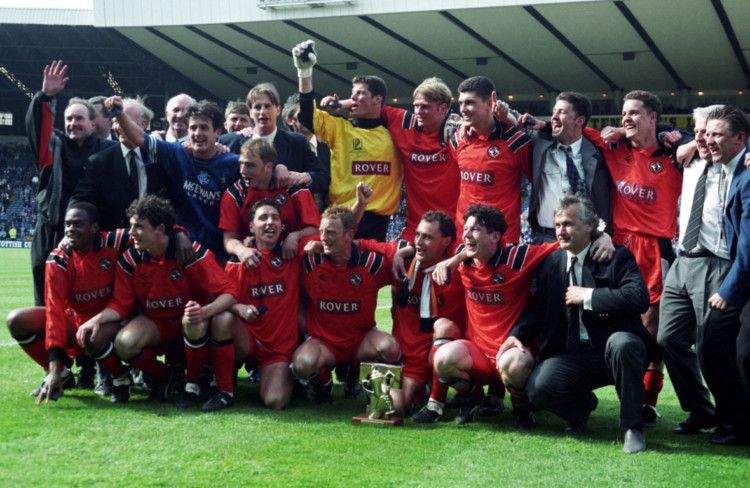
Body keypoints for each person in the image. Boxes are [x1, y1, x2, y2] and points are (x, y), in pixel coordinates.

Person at [499, 195, 659, 454]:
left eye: (569, 224)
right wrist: (516, 334)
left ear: (589, 226)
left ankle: (633, 428)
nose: (561, 230)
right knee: (539, 388)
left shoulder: (617, 256)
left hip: (615, 351)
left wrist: (588, 296)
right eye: (558, 224)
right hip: (573, 355)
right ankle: (581, 408)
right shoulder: (551, 263)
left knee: (622, 343)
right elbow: (539, 309)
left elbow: (639, 298)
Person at [585, 90, 686, 426]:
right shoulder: (613, 147)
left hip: (655, 248)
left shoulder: (673, 155)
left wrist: (678, 135)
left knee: (650, 328)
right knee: (609, 321)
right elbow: (572, 125)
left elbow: (707, 137)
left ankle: (648, 401)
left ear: (653, 118)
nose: (625, 119)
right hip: (615, 247)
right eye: (623, 113)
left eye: (634, 113)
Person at [76, 195, 237, 404]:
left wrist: (204, 311)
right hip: (156, 323)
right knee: (125, 343)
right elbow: (121, 304)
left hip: (186, 322)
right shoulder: (130, 259)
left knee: (192, 319)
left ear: (160, 229)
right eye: (131, 227)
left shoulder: (189, 253)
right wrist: (96, 320)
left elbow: (230, 291)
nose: (131, 233)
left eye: (138, 227)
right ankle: (164, 376)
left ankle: (192, 385)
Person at [428, 204, 559, 425]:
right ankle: (473, 396)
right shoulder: (463, 262)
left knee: (514, 366)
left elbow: (565, 244)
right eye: (466, 228)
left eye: (475, 229)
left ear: (495, 236)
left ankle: (521, 406)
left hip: (512, 351)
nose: (467, 234)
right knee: (441, 359)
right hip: (477, 354)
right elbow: (437, 248)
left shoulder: (518, 258)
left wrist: (600, 238)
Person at [6, 202, 132, 403]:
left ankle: (120, 378)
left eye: (78, 224)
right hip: (77, 323)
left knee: (93, 336)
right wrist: (54, 368)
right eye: (68, 225)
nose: (71, 229)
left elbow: (149, 233)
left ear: (94, 227)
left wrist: (178, 234)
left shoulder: (114, 241)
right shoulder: (58, 259)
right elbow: (54, 311)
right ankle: (63, 375)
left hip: (112, 320)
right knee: (16, 320)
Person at [26, 60, 117, 307]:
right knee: (46, 302)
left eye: (79, 118)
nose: (73, 123)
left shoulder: (109, 150)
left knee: (90, 301)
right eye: (68, 119)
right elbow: (37, 128)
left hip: (93, 237)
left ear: (93, 124)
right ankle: (49, 346)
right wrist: (45, 97)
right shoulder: (53, 146)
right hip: (50, 231)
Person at [358, 210, 467, 415]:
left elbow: (482, 248)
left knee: (444, 325)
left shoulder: (460, 271)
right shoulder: (406, 262)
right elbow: (363, 243)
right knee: (394, 407)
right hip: (403, 355)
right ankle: (422, 389)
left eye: (427, 237)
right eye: (417, 235)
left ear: (446, 241)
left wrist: (455, 259)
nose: (418, 241)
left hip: (440, 355)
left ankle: (438, 400)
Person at [656, 106, 724, 435]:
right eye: (697, 130)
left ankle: (732, 417)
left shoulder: (736, 164)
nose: (701, 136)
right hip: (682, 259)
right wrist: (673, 137)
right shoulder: (687, 155)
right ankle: (700, 409)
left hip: (716, 261)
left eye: (708, 131)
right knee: (668, 338)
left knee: (713, 346)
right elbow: (658, 129)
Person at [293, 40, 404, 240]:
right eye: (351, 94)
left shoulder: (396, 132)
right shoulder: (339, 127)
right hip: (340, 219)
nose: (353, 98)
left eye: (360, 93)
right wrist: (304, 72)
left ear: (378, 99)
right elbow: (306, 115)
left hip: (379, 224)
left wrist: (343, 104)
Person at [106, 96, 238, 261]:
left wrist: (280, 169)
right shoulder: (177, 153)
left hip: (218, 253)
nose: (198, 133)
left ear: (217, 132)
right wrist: (118, 113)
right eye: (193, 128)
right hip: (182, 248)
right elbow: (140, 138)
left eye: (204, 128)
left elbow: (261, 168)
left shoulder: (232, 163)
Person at [290, 205, 400, 403]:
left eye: (330, 232)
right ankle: (323, 384)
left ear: (350, 236)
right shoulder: (310, 260)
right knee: (302, 364)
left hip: (360, 340)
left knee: (389, 347)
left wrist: (396, 304)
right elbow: (282, 247)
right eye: (321, 232)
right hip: (324, 342)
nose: (323, 237)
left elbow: (398, 256)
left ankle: (373, 389)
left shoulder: (371, 263)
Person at [216, 199, 304, 410]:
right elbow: (223, 300)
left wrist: (296, 235)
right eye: (262, 218)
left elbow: (329, 236)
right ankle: (223, 389)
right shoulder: (240, 258)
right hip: (247, 338)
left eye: (275, 217)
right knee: (222, 319)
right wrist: (240, 309)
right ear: (251, 226)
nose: (269, 222)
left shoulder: (293, 254)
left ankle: (291, 375)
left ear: (282, 225)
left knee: (275, 401)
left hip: (277, 348)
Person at [701, 106, 750, 445]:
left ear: (740, 139)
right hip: (740, 280)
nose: (709, 140)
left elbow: (749, 244)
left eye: (718, 134)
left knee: (745, 353)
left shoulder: (747, 176)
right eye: (708, 133)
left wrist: (728, 291)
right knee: (710, 344)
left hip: (741, 281)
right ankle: (735, 421)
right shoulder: (733, 169)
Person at [450, 76, 531, 246]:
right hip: (463, 242)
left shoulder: (516, 142)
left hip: (502, 243)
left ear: (490, 102)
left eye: (470, 103)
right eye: (461, 103)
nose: (463, 109)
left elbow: (538, 184)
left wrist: (511, 118)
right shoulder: (457, 139)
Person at [520, 92, 613, 242]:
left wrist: (662, 134)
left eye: (562, 112)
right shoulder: (538, 143)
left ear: (580, 120)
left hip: (585, 239)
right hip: (545, 238)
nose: (554, 117)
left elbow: (640, 136)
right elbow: (512, 118)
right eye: (554, 111)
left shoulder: (599, 154)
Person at [71, 97, 170, 231]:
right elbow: (80, 201)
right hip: (115, 243)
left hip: (153, 243)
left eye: (125, 121)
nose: (119, 127)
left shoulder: (160, 158)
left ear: (143, 124)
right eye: (116, 122)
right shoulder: (99, 162)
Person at [220, 138, 320, 264]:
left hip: (291, 258)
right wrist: (241, 250)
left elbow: (315, 229)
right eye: (241, 164)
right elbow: (229, 239)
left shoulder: (292, 186)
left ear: (268, 167)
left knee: (313, 246)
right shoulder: (235, 193)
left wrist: (294, 236)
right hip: (255, 260)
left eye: (250, 165)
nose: (242, 171)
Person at [218, 83, 328, 195]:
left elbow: (323, 178)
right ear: (250, 112)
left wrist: (306, 177)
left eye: (268, 106)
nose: (262, 112)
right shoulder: (228, 142)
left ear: (278, 110)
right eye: (257, 107)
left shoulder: (297, 142)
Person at [282, 93, 331, 212]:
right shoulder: (280, 148)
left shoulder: (330, 146)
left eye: (314, 114)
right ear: (290, 120)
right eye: (306, 114)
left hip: (330, 219)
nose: (313, 118)